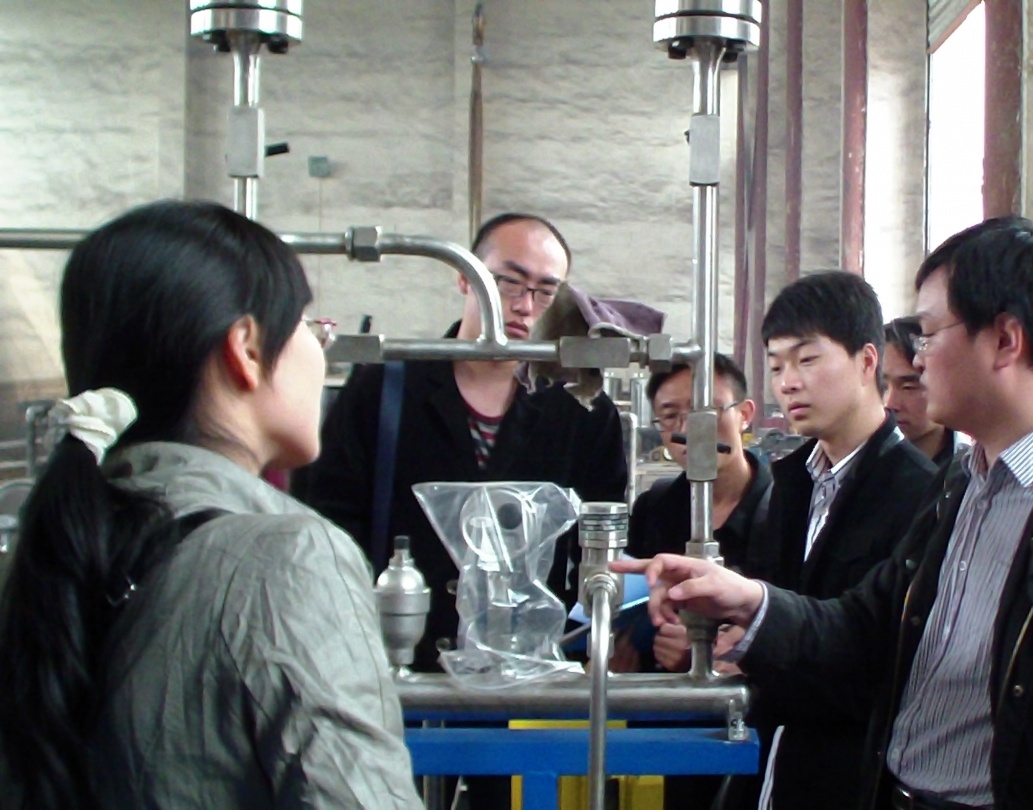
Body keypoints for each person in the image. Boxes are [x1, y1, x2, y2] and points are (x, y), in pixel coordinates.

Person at [617, 217, 1033, 810]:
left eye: (930, 334)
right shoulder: (961, 485)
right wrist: (749, 601)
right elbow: (866, 627)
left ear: (1006, 340)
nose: (916, 358)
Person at [0, 200, 419, 808]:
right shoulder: (285, 561)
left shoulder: (45, 555)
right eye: (306, 325)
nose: (319, 349)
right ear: (246, 349)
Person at [301, 212, 627, 672]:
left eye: (545, 292)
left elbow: (599, 544)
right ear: (464, 277)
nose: (525, 305)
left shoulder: (582, 411)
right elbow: (329, 524)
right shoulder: (385, 388)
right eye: (509, 283)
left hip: (526, 674)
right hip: (391, 666)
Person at [747, 271, 937, 810]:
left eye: (807, 360)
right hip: (780, 763)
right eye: (776, 366)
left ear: (867, 361)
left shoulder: (920, 494)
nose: (788, 383)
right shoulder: (790, 485)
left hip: (858, 777)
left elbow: (886, 663)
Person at [621, 353, 772, 808]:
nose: (690, 429)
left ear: (744, 414)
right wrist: (630, 644)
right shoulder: (654, 508)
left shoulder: (789, 507)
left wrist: (715, 650)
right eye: (671, 416)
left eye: (705, 410)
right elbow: (629, 610)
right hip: (665, 727)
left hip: (752, 731)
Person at [883, 316, 964, 467]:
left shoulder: (975, 468)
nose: (889, 403)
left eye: (909, 387)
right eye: (882, 386)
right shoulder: (854, 469)